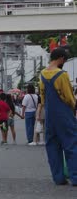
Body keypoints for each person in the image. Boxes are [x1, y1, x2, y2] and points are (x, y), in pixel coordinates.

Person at [39, 47, 77, 186]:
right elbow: (68, 97)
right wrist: (74, 106)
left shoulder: (42, 74)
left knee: (52, 146)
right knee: (71, 144)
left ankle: (58, 178)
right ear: (61, 58)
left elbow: (42, 97)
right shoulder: (62, 74)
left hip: (49, 115)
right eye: (64, 60)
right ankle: (75, 177)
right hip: (64, 114)